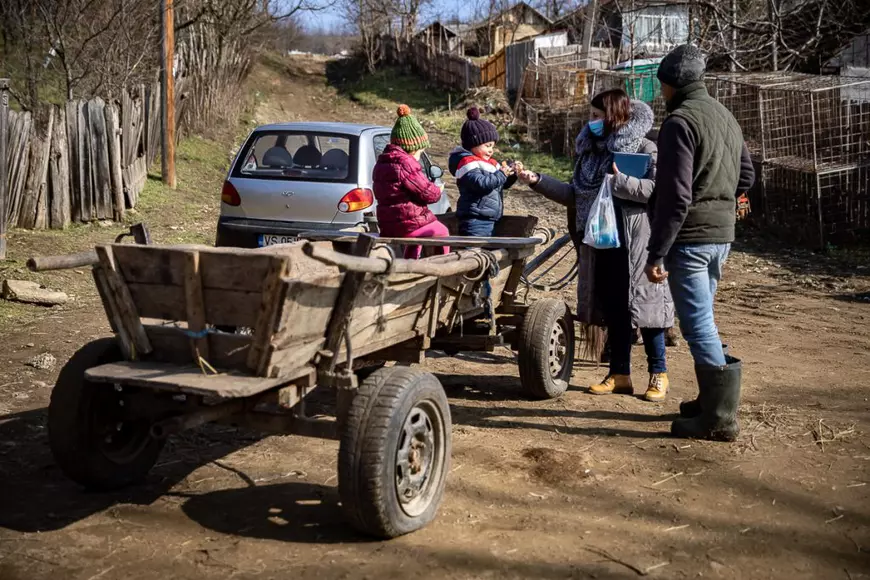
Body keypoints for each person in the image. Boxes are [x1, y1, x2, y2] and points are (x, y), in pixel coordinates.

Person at [519, 89, 675, 402]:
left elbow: (656, 190)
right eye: (589, 116)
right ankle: (620, 374)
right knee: (615, 310)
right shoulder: (589, 154)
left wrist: (619, 182)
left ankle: (659, 374)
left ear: (614, 115)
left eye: (595, 116)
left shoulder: (644, 147)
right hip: (600, 242)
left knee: (649, 310)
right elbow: (573, 195)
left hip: (635, 241)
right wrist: (536, 179)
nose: (590, 122)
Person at [644, 45, 756, 441]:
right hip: (722, 236)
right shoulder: (726, 117)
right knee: (704, 317)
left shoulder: (680, 122)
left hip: (691, 238)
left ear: (670, 85)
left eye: (662, 86)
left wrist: (657, 251)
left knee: (698, 325)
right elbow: (746, 177)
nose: (661, 94)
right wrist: (722, 202)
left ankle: (720, 418)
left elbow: (676, 197)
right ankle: (710, 401)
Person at [372, 104, 449, 259]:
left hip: (388, 223)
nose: (420, 156)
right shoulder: (406, 163)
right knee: (442, 231)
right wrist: (438, 190)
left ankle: (410, 264)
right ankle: (444, 265)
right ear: (412, 148)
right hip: (406, 224)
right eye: (420, 152)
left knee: (418, 237)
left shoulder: (383, 161)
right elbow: (428, 193)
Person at [449, 107, 519, 237]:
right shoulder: (468, 163)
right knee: (474, 252)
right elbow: (481, 184)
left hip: (489, 217)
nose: (491, 150)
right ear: (473, 144)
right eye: (487, 146)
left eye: (492, 146)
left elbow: (500, 183)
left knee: (486, 251)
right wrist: (502, 174)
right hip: (475, 219)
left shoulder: (490, 163)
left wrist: (513, 173)